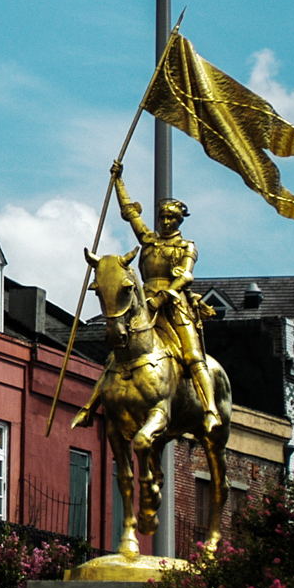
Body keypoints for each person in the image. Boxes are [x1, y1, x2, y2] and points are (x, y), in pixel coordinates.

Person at [72, 160, 221, 433]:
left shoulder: (187, 246)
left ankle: (210, 408)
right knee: (119, 351)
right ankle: (89, 407)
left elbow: (186, 276)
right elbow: (129, 214)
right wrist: (118, 181)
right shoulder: (149, 241)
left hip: (173, 303)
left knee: (192, 355)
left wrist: (164, 297)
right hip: (143, 302)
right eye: (162, 217)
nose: (165, 222)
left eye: (171, 218)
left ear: (179, 221)